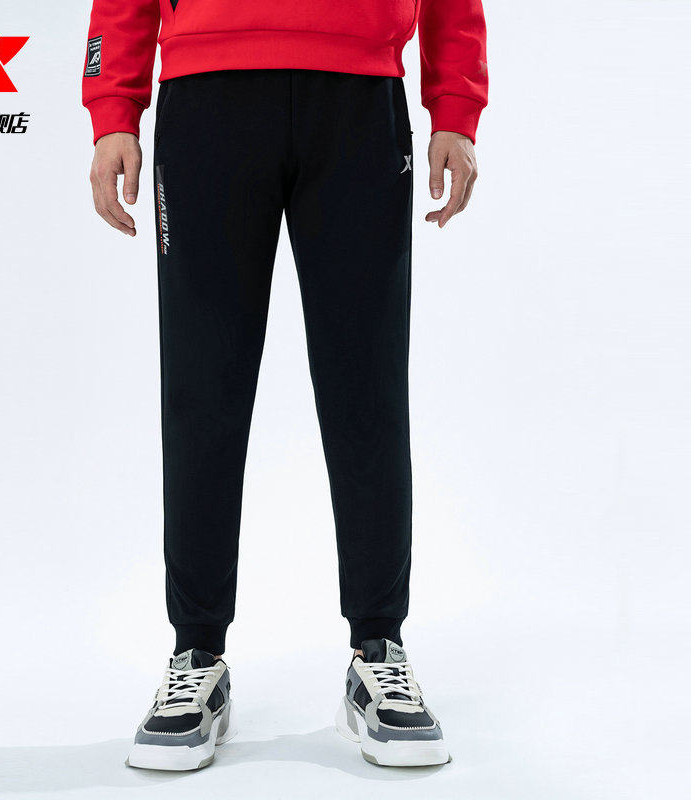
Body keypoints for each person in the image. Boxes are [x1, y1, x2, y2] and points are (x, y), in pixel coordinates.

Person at [82, 0, 487, 771]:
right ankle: (196, 653)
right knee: (203, 388)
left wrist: (456, 107)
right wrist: (112, 112)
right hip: (207, 99)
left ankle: (378, 647)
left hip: (360, 100)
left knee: (366, 388)